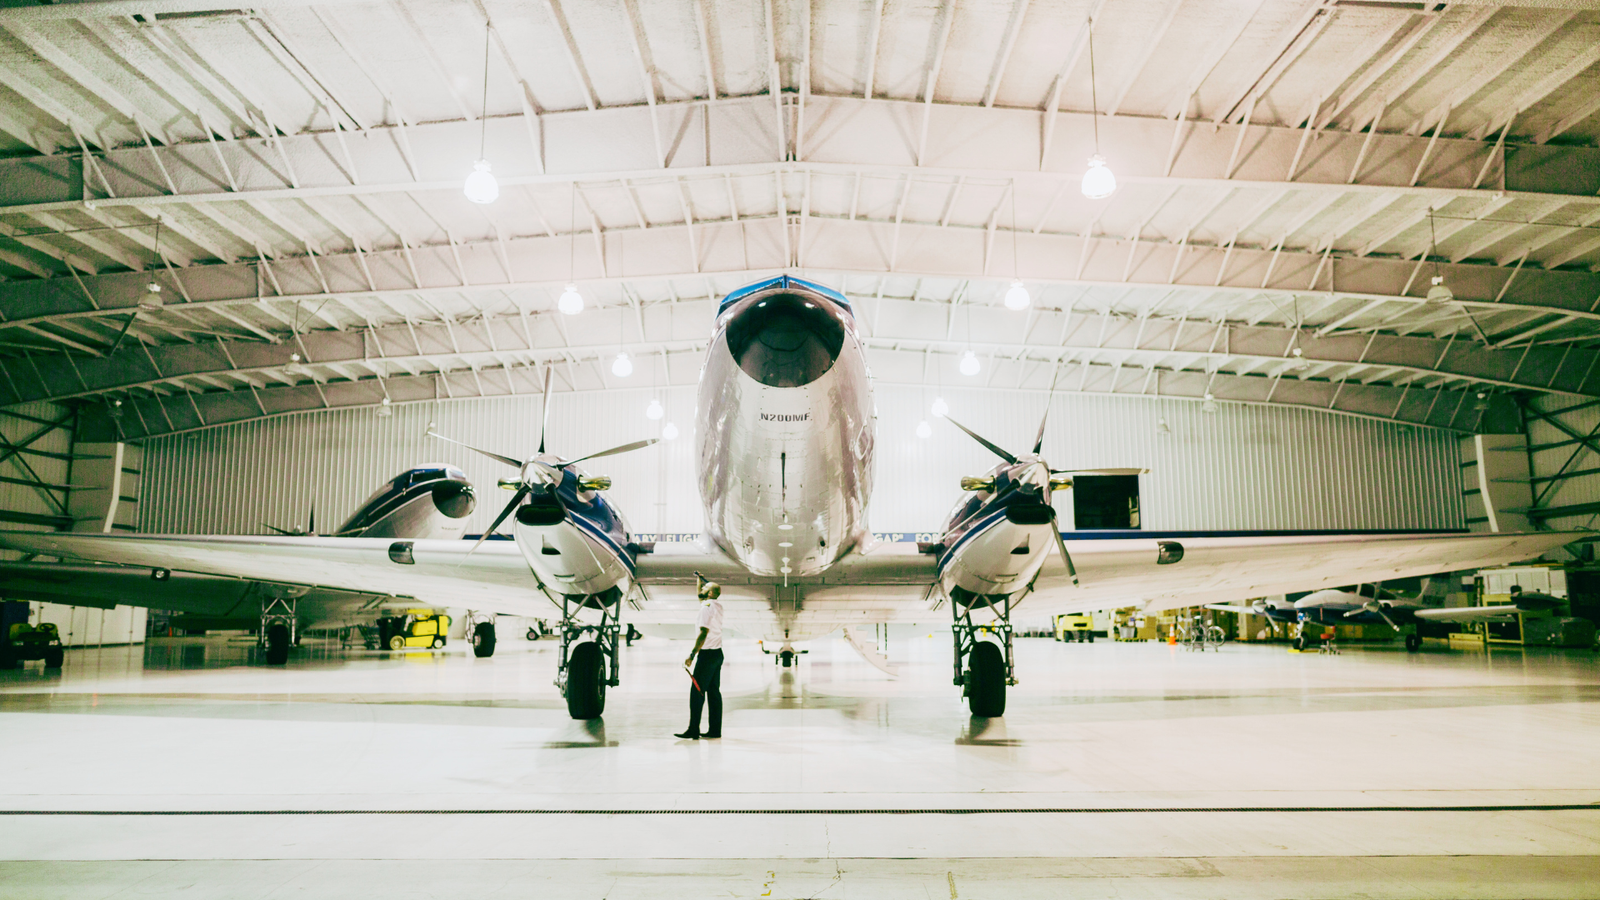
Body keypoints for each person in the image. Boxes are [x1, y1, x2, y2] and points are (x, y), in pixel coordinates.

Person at [676, 574, 724, 740]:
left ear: (710, 593)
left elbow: (703, 632)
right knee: (713, 692)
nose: (701, 590)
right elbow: (701, 596)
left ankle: (693, 729)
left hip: (707, 655)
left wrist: (692, 654)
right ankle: (715, 730)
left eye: (704, 588)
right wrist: (700, 581)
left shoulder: (706, 608)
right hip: (717, 654)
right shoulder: (716, 605)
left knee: (697, 692)